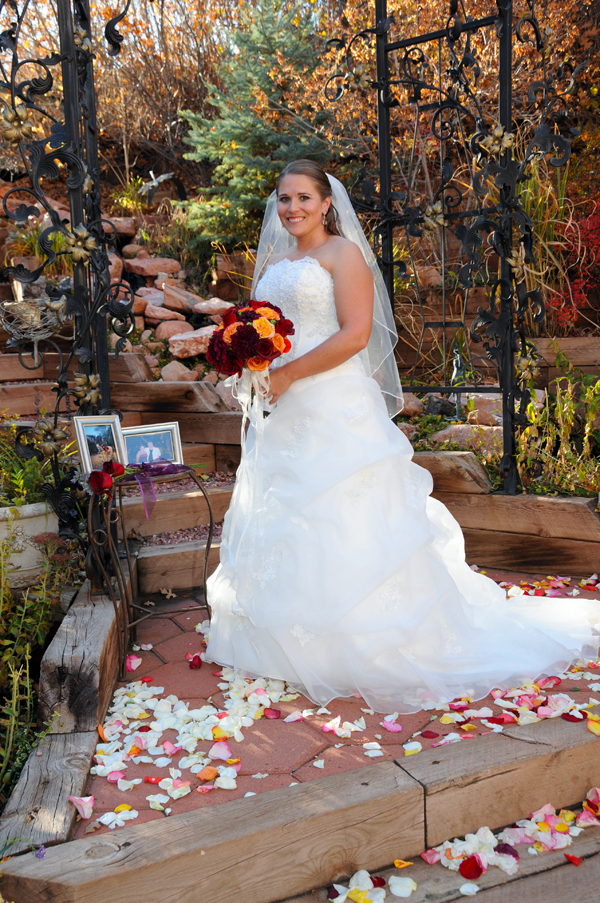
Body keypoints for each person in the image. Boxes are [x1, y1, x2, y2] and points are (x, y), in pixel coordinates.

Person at [205, 159, 600, 714]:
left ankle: (358, 640)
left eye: (302, 198)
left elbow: (356, 334)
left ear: (326, 204)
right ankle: (283, 635)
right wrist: (249, 362)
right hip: (280, 410)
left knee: (343, 513)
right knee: (283, 510)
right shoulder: (276, 261)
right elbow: (269, 329)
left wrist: (291, 373)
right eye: (283, 198)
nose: (292, 208)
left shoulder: (343, 256)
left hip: (331, 404)